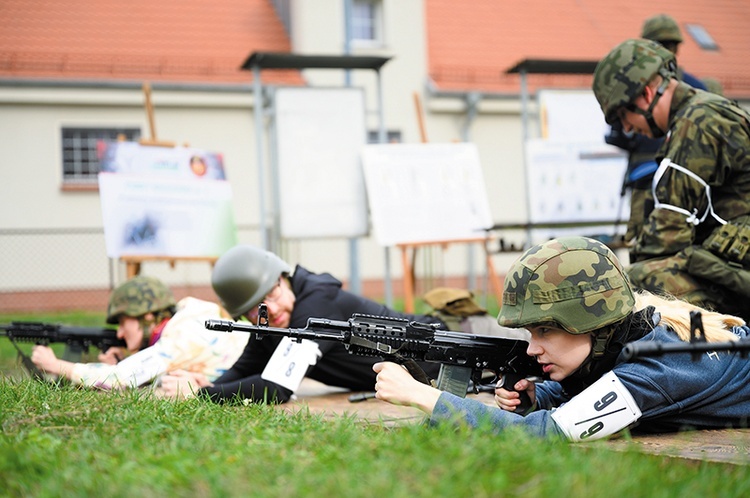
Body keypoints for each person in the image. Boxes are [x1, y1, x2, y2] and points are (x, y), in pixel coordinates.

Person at [373, 236, 750, 441]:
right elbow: (602, 384)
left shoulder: (659, 370)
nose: (533, 347)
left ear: (592, 323)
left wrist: (421, 395)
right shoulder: (636, 331)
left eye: (545, 330)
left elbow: (547, 435)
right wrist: (542, 395)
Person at [159, 244, 520, 402]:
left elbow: (278, 387)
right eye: (254, 310)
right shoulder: (273, 322)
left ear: (282, 278)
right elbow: (246, 371)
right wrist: (204, 388)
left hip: (466, 336)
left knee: (546, 359)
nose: (267, 312)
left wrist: (204, 394)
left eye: (270, 297)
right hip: (441, 365)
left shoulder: (317, 305)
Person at [593, 38, 750, 321]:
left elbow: (669, 229)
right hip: (732, 266)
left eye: (623, 114)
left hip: (739, 275)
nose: (627, 127)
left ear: (646, 93)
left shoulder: (696, 121)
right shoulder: (700, 112)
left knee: (626, 289)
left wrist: (614, 276)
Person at [30, 275, 248, 389]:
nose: (120, 334)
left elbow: (123, 379)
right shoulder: (188, 317)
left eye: (124, 323)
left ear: (148, 317)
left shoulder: (183, 337)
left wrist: (55, 365)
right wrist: (125, 360)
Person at [605, 14, 708, 254]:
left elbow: (618, 134)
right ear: (676, 47)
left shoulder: (633, 88)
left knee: (643, 246)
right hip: (687, 184)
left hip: (644, 180)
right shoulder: (694, 85)